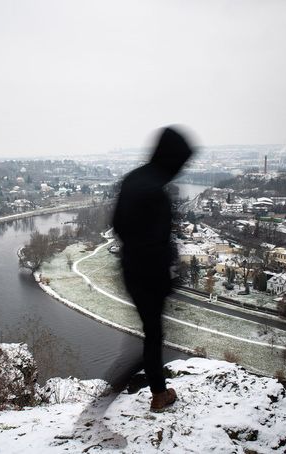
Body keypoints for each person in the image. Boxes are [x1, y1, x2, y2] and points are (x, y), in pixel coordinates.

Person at [112, 126, 193, 412]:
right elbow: (159, 241)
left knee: (150, 331)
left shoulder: (134, 178)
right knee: (154, 334)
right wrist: (166, 274)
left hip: (130, 267)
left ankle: (138, 382)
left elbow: (118, 226)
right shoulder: (157, 191)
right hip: (150, 273)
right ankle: (156, 393)